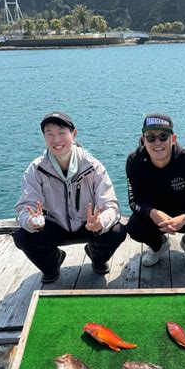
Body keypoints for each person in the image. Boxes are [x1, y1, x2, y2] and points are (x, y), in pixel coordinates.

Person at [13, 111, 126, 282]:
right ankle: (52, 262)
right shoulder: (36, 169)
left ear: (73, 134)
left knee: (117, 231)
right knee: (22, 236)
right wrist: (30, 220)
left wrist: (100, 222)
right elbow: (24, 207)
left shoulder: (93, 166)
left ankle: (96, 256)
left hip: (88, 224)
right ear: (44, 138)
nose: (56, 140)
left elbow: (111, 206)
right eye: (49, 134)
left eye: (61, 132)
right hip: (54, 224)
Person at [126, 113, 185, 267]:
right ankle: (159, 245)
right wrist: (153, 213)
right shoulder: (134, 161)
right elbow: (134, 200)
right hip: (154, 217)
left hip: (184, 214)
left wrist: (184, 218)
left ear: (173, 139)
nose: (157, 142)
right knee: (134, 227)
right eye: (151, 137)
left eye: (163, 136)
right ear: (143, 140)